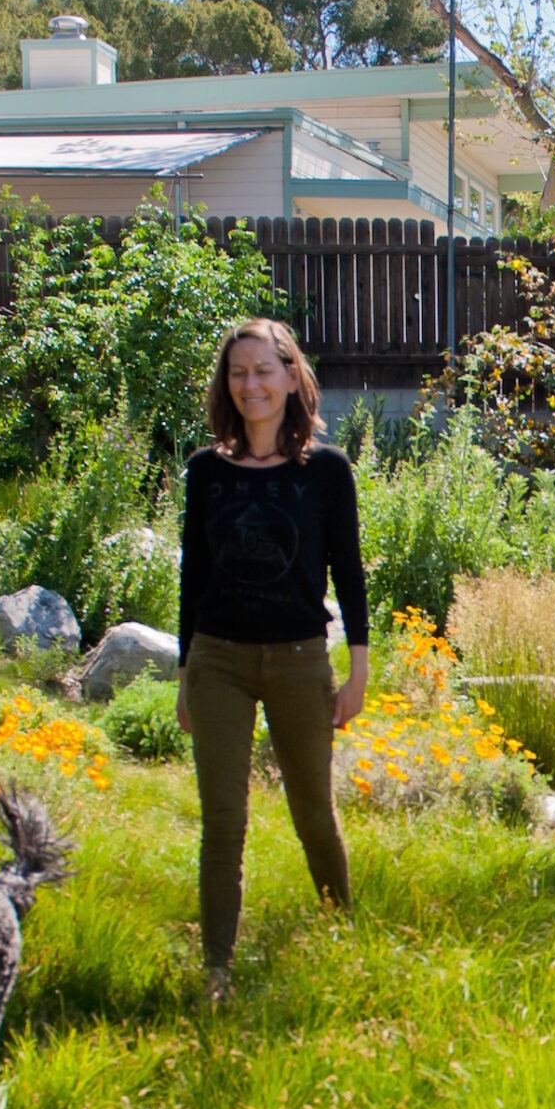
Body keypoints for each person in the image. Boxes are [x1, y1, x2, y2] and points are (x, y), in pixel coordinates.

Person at [174, 318, 368, 1003]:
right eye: (238, 373)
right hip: (218, 662)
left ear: (291, 376)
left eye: (263, 370)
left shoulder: (327, 471)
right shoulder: (205, 471)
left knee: (314, 811)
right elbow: (193, 578)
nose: (250, 385)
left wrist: (358, 672)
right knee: (223, 820)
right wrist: (184, 675)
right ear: (227, 386)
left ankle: (342, 938)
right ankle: (218, 971)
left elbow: (349, 574)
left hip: (297, 661)